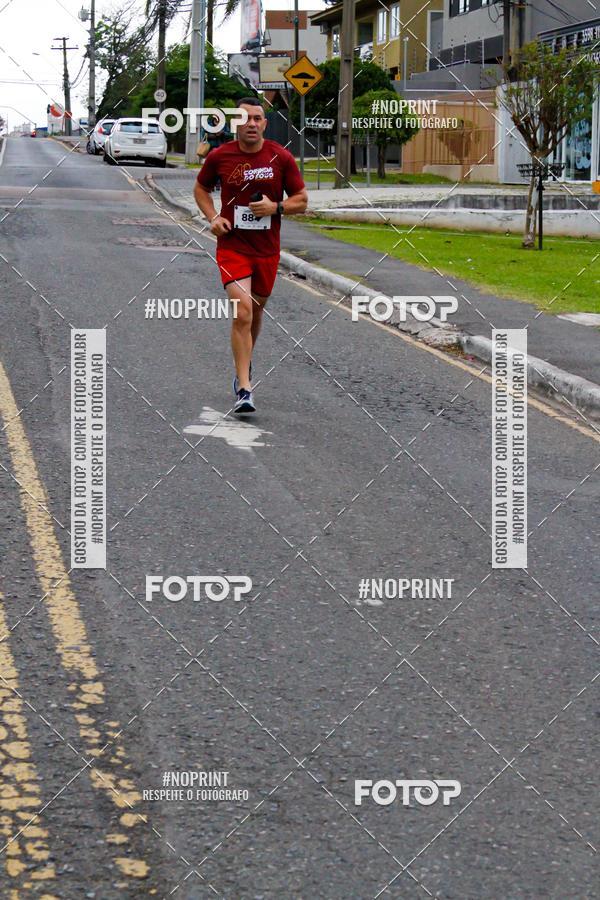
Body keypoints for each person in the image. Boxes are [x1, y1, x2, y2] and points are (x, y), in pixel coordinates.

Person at [194, 97, 308, 414]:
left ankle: (244, 364)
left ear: (265, 124)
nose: (252, 124)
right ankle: (244, 388)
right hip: (233, 246)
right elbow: (201, 189)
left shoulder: (280, 156)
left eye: (258, 118)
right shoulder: (220, 156)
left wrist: (276, 207)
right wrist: (213, 217)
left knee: (255, 313)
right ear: (236, 124)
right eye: (245, 119)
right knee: (242, 311)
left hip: (267, 250)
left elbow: (301, 200)